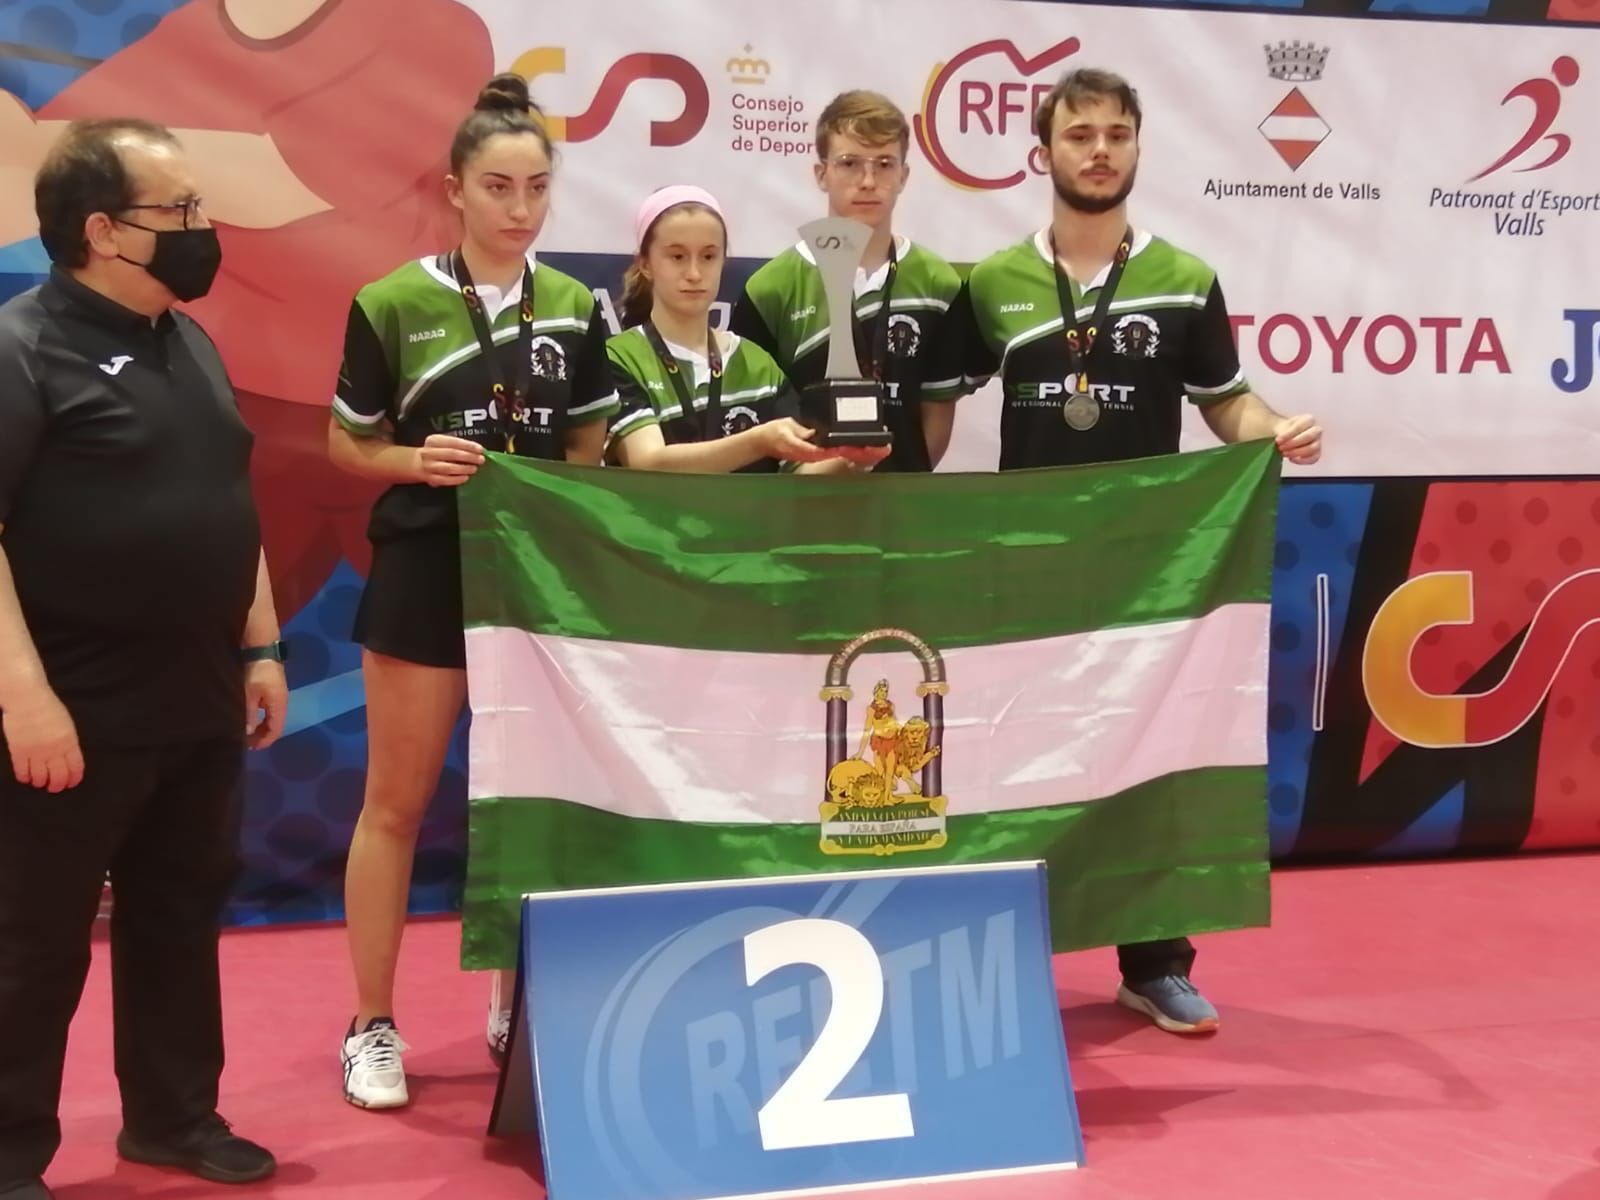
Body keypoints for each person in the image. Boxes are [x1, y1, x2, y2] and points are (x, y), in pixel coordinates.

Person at [953, 68, 1323, 1035]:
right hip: (1029, 565)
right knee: (1019, 758)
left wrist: (1276, 429)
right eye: (1080, 134)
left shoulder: (1185, 279)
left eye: (1116, 134)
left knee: (1146, 756)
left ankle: (1154, 963)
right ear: (1043, 152)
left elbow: (1227, 403)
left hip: (1148, 571)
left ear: (1137, 148)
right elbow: (933, 414)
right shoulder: (989, 283)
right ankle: (1009, 959)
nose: (1099, 150)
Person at [0, 119, 284, 1198]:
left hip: (198, 695)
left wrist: (260, 643)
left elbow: (228, 499)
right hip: (71, 708)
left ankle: (172, 1118)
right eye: (181, 210)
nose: (203, 228)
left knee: (178, 914)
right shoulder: (21, 348)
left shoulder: (190, 340)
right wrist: (25, 700)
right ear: (103, 231)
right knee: (34, 941)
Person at [327, 74, 617, 1110]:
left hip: (531, 584)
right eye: (499, 187)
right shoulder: (392, 302)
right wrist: (413, 462)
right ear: (454, 189)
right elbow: (346, 443)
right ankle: (370, 1025)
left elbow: (587, 451)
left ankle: (514, 1009)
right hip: (422, 573)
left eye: (537, 188)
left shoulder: (575, 307)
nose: (520, 207)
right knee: (395, 805)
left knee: (526, 808)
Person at [730, 91, 964, 473]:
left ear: (903, 176)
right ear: (821, 174)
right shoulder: (770, 289)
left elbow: (936, 415)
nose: (868, 181)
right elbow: (753, 419)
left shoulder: (938, 284)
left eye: (884, 164)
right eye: (849, 163)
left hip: (904, 503)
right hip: (800, 503)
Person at [608, 185, 875, 474]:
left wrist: (853, 460)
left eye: (708, 256)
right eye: (677, 257)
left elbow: (802, 469)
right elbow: (648, 462)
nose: (695, 273)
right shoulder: (619, 359)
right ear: (645, 264)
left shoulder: (756, 364)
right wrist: (758, 442)